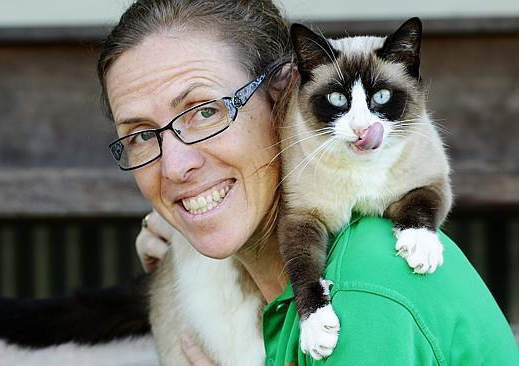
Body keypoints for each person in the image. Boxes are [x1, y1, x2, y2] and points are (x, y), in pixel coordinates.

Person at [99, 0, 519, 364]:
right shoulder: (289, 303)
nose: (174, 166)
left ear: (285, 91)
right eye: (140, 136)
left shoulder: (363, 286)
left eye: (206, 111)